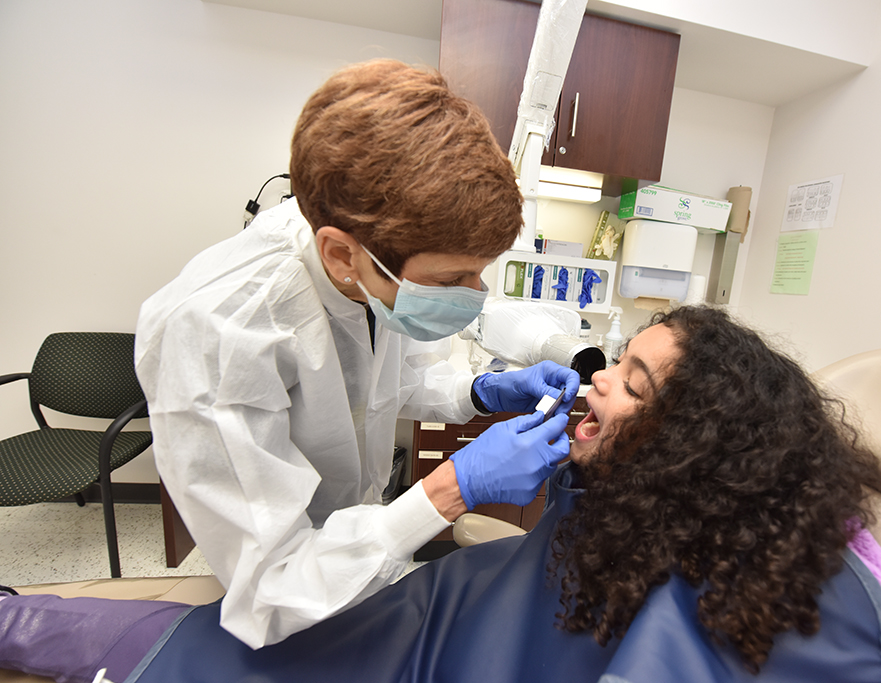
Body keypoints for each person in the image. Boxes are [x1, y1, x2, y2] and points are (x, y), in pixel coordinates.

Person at [0, 306, 881, 682]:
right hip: (401, 620)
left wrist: (447, 491)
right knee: (126, 625)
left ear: (692, 449)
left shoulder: (704, 594)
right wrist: (483, 417)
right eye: (618, 363)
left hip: (399, 650)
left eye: (632, 383)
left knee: (131, 641)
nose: (595, 377)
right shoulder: (629, 503)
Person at [131, 59, 579, 649]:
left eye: (481, 272)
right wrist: (452, 489)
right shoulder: (218, 333)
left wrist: (480, 391)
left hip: (361, 545)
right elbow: (271, 588)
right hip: (285, 582)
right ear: (342, 255)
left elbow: (386, 385)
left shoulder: (370, 268)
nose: (474, 295)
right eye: (453, 277)